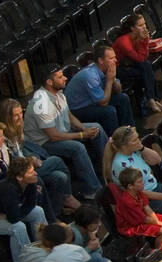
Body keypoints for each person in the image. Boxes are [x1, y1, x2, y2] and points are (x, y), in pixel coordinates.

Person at [23, 66, 105, 195]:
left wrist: (85, 129)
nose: (65, 78)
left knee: (96, 127)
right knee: (77, 147)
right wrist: (82, 134)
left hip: (61, 132)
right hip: (44, 143)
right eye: (60, 77)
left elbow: (70, 117)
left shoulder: (59, 93)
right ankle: (93, 190)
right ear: (49, 82)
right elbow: (53, 136)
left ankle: (107, 167)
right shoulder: (42, 104)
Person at [0, 100, 79, 218]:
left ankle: (55, 214)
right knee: (56, 160)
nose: (20, 117)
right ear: (7, 117)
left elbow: (20, 155)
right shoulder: (2, 138)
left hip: (27, 165)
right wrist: (30, 161)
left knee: (60, 177)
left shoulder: (16, 132)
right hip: (20, 174)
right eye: (16, 115)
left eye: (21, 113)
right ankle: (68, 197)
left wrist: (30, 158)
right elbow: (13, 164)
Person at [64, 45, 134, 136]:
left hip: (92, 101)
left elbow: (118, 91)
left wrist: (113, 78)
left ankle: (129, 133)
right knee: (109, 111)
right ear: (101, 61)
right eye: (111, 58)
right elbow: (103, 103)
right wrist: (109, 80)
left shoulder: (107, 69)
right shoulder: (90, 75)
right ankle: (115, 141)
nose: (115, 60)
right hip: (77, 109)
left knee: (123, 98)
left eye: (115, 57)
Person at [0, 158, 48, 262]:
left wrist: (15, 213)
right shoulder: (9, 188)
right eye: (31, 172)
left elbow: (31, 204)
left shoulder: (31, 181)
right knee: (18, 227)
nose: (35, 173)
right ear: (19, 177)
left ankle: (45, 246)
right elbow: (13, 219)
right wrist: (13, 214)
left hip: (4, 212)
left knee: (37, 211)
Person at [112, 13, 162, 118]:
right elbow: (140, 58)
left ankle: (150, 99)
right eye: (140, 25)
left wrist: (145, 40)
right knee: (144, 71)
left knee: (146, 67)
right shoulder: (124, 41)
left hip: (129, 64)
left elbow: (144, 57)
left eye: (144, 24)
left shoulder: (137, 37)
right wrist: (144, 41)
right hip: (117, 69)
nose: (144, 27)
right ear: (132, 28)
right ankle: (150, 99)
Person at [111, 169, 162, 252]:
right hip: (130, 227)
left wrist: (160, 222)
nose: (143, 183)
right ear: (130, 186)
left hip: (142, 220)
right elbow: (144, 219)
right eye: (139, 182)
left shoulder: (139, 192)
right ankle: (157, 254)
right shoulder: (127, 201)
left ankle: (161, 248)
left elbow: (148, 210)